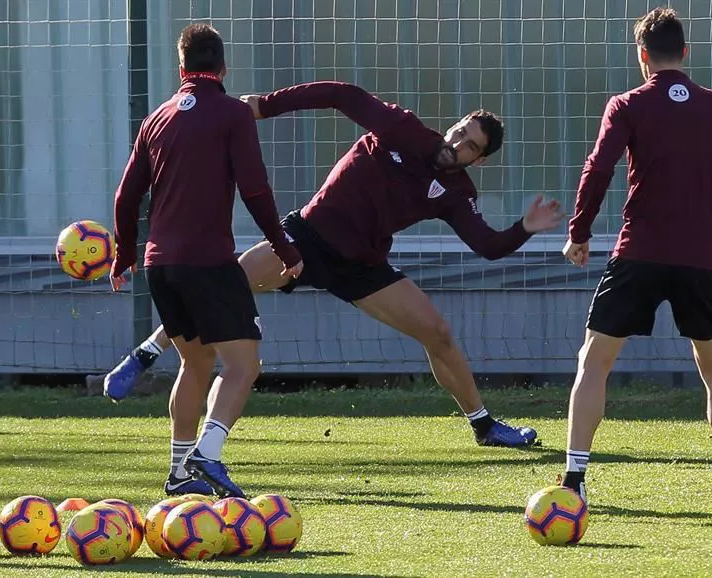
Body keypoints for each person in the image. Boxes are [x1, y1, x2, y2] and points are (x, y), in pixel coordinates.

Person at [105, 80, 565, 449]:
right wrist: (264, 106)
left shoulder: (458, 193)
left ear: (478, 161)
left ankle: (483, 425)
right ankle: (147, 351)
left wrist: (524, 226)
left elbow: (487, 245)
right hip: (306, 238)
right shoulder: (403, 129)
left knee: (438, 332)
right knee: (225, 285)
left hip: (361, 265)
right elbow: (340, 94)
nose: (458, 142)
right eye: (460, 131)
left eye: (469, 145)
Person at [559, 7, 712, 515]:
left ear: (642, 56)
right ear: (685, 52)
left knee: (595, 361)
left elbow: (598, 167)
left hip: (639, 252)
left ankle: (574, 481)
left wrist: (580, 232)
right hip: (702, 257)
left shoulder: (628, 103)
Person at [110, 23, 302, 499]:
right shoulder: (233, 113)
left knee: (195, 363)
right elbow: (255, 188)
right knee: (243, 365)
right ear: (223, 67)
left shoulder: (156, 118)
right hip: (208, 263)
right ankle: (208, 452)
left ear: (182, 69)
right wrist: (284, 246)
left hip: (161, 266)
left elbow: (126, 195)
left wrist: (122, 255)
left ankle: (178, 472)